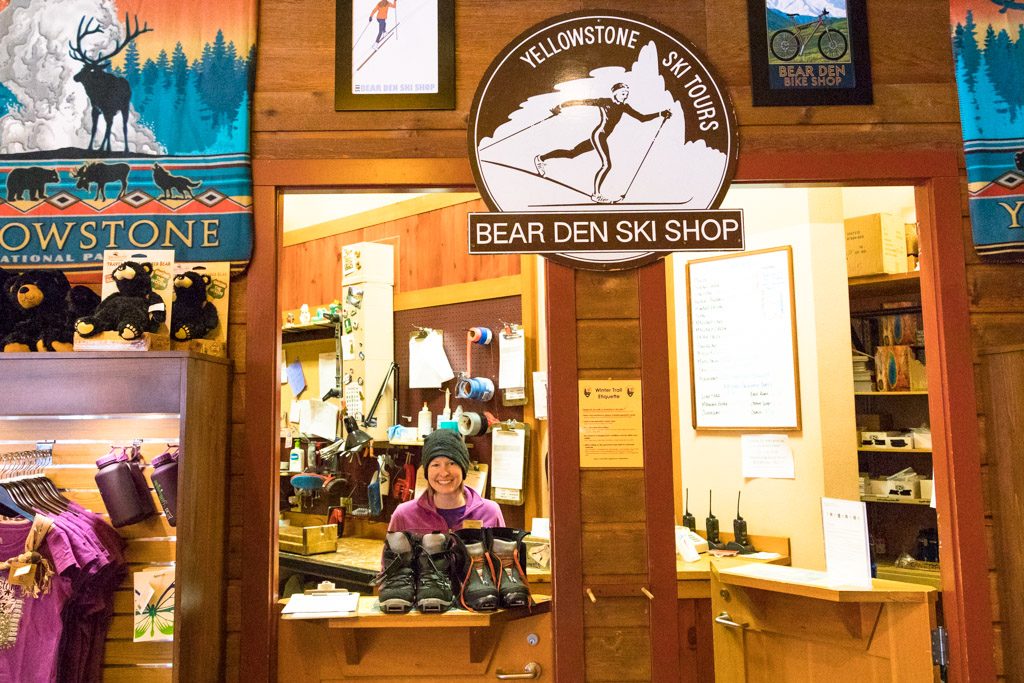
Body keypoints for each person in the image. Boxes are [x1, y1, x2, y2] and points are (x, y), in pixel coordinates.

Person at [534, 82, 671, 204]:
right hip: (599, 135)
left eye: (627, 94)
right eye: (623, 93)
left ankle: (540, 158)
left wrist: (660, 114)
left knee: (572, 153)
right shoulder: (603, 101)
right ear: (615, 93)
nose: (625, 96)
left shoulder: (624, 107)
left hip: (602, 137)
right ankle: (596, 195)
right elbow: (580, 102)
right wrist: (560, 105)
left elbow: (642, 118)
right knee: (607, 165)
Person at [388, 428, 504, 533]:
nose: (444, 473)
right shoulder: (404, 515)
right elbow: (390, 557)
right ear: (426, 471)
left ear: (463, 468)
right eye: (435, 465)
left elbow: (503, 556)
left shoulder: (490, 512)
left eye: (451, 463)